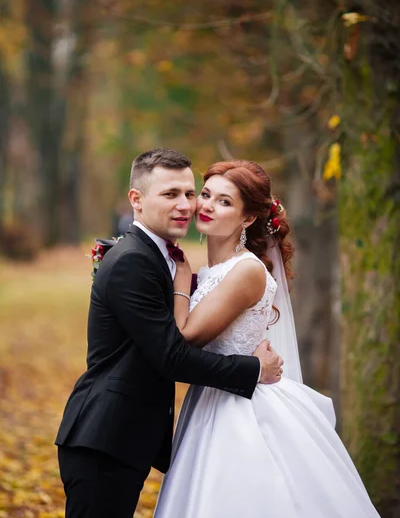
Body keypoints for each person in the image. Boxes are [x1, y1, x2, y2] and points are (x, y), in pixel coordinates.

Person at [55, 149, 284, 518]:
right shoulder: (135, 260)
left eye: (190, 193)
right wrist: (253, 370)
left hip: (130, 436)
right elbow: (172, 355)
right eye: (170, 194)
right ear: (136, 200)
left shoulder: (171, 260)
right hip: (104, 439)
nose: (188, 205)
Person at [154, 159, 380, 518]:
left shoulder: (246, 271)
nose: (208, 205)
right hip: (212, 395)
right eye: (206, 194)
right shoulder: (214, 270)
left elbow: (186, 336)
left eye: (225, 201)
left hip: (240, 408)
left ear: (247, 219)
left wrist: (181, 281)